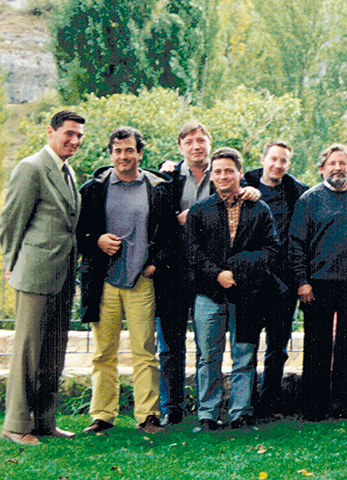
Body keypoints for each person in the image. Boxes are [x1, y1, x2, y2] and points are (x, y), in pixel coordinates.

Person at [157, 122, 260, 425]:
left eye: (201, 140)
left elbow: (260, 189)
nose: (196, 146)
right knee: (171, 345)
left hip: (220, 277)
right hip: (178, 269)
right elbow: (160, 219)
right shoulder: (169, 177)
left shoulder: (232, 180)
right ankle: (173, 408)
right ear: (180, 147)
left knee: (218, 347)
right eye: (189, 141)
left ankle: (226, 411)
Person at [77, 127, 176, 435]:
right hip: (103, 281)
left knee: (145, 351)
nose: (124, 156)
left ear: (140, 153)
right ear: (111, 154)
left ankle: (148, 416)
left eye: (129, 150)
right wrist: (97, 241)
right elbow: (78, 234)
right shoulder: (93, 189)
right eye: (118, 151)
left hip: (140, 281)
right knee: (103, 352)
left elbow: (171, 235)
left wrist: (155, 265)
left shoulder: (157, 188)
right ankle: (103, 416)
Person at [0, 110, 84, 446]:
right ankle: (16, 424)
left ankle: (45, 422)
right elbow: (11, 222)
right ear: (50, 132)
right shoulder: (31, 168)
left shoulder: (68, 172)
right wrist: (11, 264)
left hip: (63, 275)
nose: (74, 141)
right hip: (35, 275)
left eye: (79, 136)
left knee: (54, 352)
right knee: (28, 352)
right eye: (69, 134)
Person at [185, 148, 280, 432]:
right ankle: (208, 415)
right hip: (209, 293)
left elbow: (272, 249)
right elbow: (192, 251)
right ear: (211, 175)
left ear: (240, 173)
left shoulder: (259, 209)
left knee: (244, 354)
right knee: (208, 356)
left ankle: (241, 413)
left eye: (229, 170)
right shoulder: (200, 211)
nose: (223, 176)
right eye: (218, 171)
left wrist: (237, 269)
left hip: (247, 295)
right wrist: (218, 275)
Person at [289, 144, 347, 421]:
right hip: (318, 284)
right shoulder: (309, 199)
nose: (337, 168)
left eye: (343, 163)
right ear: (322, 168)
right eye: (331, 163)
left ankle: (345, 405)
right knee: (317, 346)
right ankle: (315, 408)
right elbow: (296, 244)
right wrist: (302, 282)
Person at [242, 141, 308, 419]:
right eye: (273, 159)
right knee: (246, 344)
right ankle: (243, 405)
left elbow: (330, 187)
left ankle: (269, 401)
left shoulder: (297, 192)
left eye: (283, 161)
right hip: (251, 279)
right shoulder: (243, 185)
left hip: (284, 281)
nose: (278, 165)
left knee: (277, 346)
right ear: (263, 159)